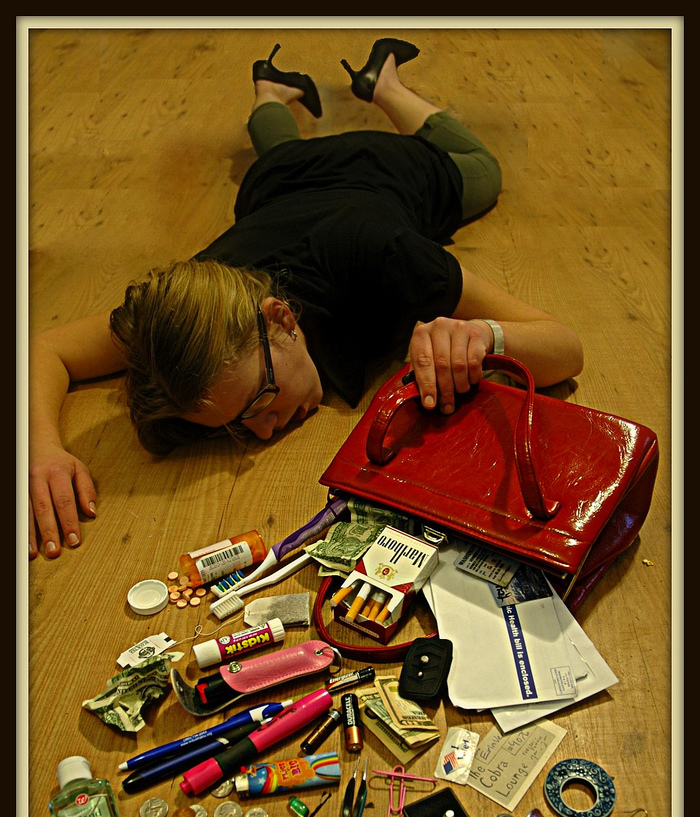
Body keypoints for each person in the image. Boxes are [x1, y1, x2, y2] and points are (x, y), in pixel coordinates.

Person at [29, 37, 583, 560]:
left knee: (482, 170)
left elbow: (565, 346)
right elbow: (42, 349)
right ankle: (269, 90)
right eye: (237, 426)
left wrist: (484, 335)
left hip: (384, 166)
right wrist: (41, 449)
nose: (264, 429)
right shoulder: (186, 311)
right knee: (283, 155)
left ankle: (383, 84)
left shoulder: (384, 255)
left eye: (259, 399)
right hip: (279, 179)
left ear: (282, 317)